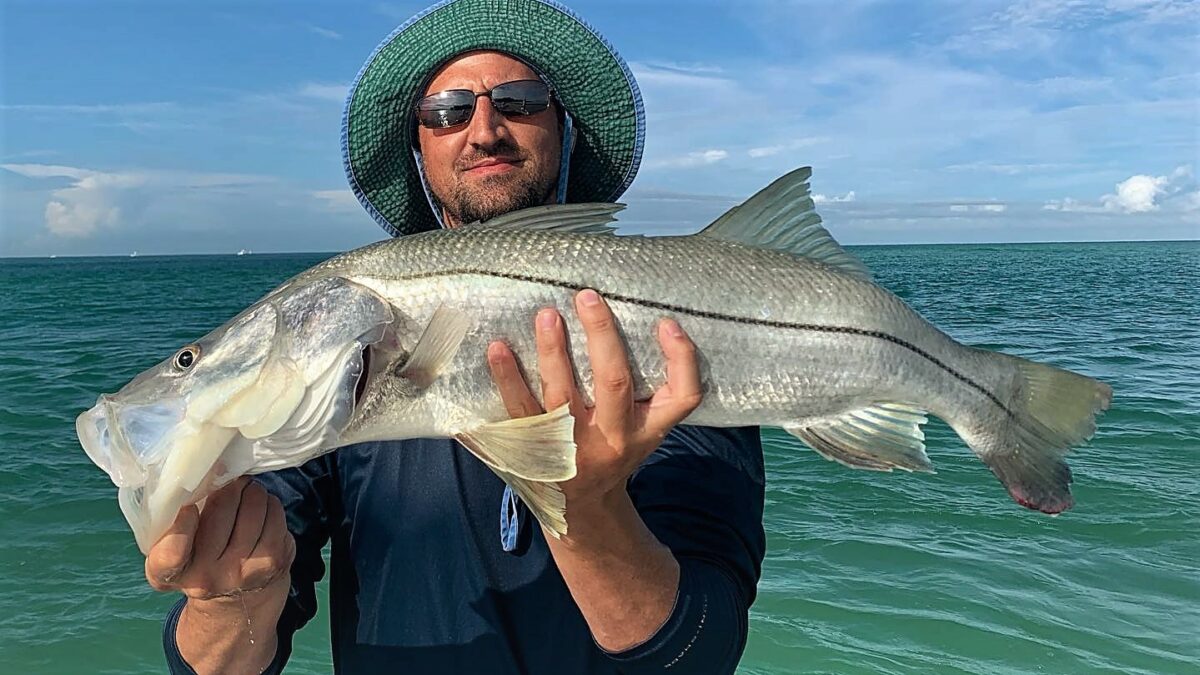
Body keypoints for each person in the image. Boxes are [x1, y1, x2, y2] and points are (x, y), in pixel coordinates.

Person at [146, 1, 766, 673]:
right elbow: (221, 662)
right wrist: (228, 598)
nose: (484, 129)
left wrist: (589, 512)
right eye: (445, 111)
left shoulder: (666, 333)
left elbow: (702, 647)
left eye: (520, 101)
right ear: (420, 146)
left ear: (566, 129)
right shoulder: (342, 364)